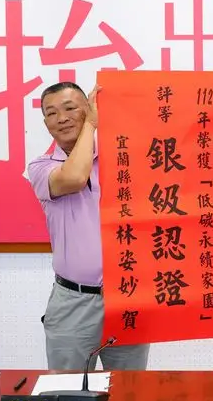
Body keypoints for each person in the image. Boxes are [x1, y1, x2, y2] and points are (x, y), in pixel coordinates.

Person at [27, 81, 150, 371]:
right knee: (68, 390)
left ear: (90, 108)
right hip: (74, 302)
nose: (62, 118)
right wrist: (91, 126)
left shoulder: (123, 161)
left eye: (70, 108)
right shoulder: (42, 167)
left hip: (128, 296)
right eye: (51, 113)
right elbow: (74, 178)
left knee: (128, 390)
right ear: (45, 124)